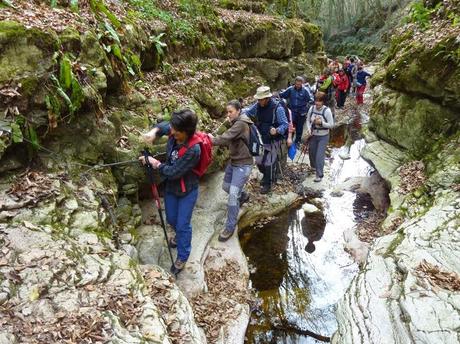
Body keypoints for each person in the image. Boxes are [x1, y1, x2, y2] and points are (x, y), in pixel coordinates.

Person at [140, 109, 201, 275]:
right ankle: (178, 236)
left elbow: (173, 171)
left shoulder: (194, 150)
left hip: (187, 190)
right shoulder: (176, 130)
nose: (171, 132)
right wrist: (153, 133)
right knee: (172, 219)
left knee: (183, 225)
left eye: (175, 131)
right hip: (172, 188)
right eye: (172, 129)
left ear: (186, 132)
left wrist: (155, 163)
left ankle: (182, 255)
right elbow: (163, 126)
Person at [210, 100, 254, 242]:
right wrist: (228, 122)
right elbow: (231, 133)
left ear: (239, 111)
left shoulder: (241, 124)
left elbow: (225, 138)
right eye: (227, 112)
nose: (228, 114)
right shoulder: (237, 122)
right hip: (234, 161)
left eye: (231, 112)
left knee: (233, 196)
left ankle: (230, 227)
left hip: (243, 164)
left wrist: (211, 139)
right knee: (225, 186)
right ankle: (244, 195)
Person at [244, 86, 288, 194]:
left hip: (273, 139)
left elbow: (285, 124)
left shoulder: (278, 108)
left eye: (261, 99)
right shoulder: (258, 105)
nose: (259, 101)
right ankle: (266, 175)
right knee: (259, 162)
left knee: (269, 162)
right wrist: (238, 114)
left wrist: (277, 130)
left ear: (267, 98)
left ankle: (268, 183)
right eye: (258, 99)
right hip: (260, 137)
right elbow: (248, 112)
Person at [301, 92, 334, 182]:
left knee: (319, 155)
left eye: (319, 101)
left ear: (323, 102)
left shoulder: (326, 111)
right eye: (316, 100)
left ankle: (319, 175)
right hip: (313, 135)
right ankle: (313, 167)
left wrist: (321, 123)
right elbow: (308, 120)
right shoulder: (311, 109)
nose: (317, 103)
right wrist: (308, 129)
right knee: (312, 153)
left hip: (323, 136)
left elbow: (331, 125)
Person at [279, 76, 313, 147]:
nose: (298, 86)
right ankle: (289, 140)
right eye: (297, 84)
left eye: (299, 84)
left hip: (301, 112)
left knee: (300, 128)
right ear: (295, 83)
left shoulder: (305, 90)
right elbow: (282, 95)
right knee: (290, 126)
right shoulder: (290, 89)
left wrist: (307, 108)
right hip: (292, 112)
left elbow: (311, 100)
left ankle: (297, 142)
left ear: (302, 84)